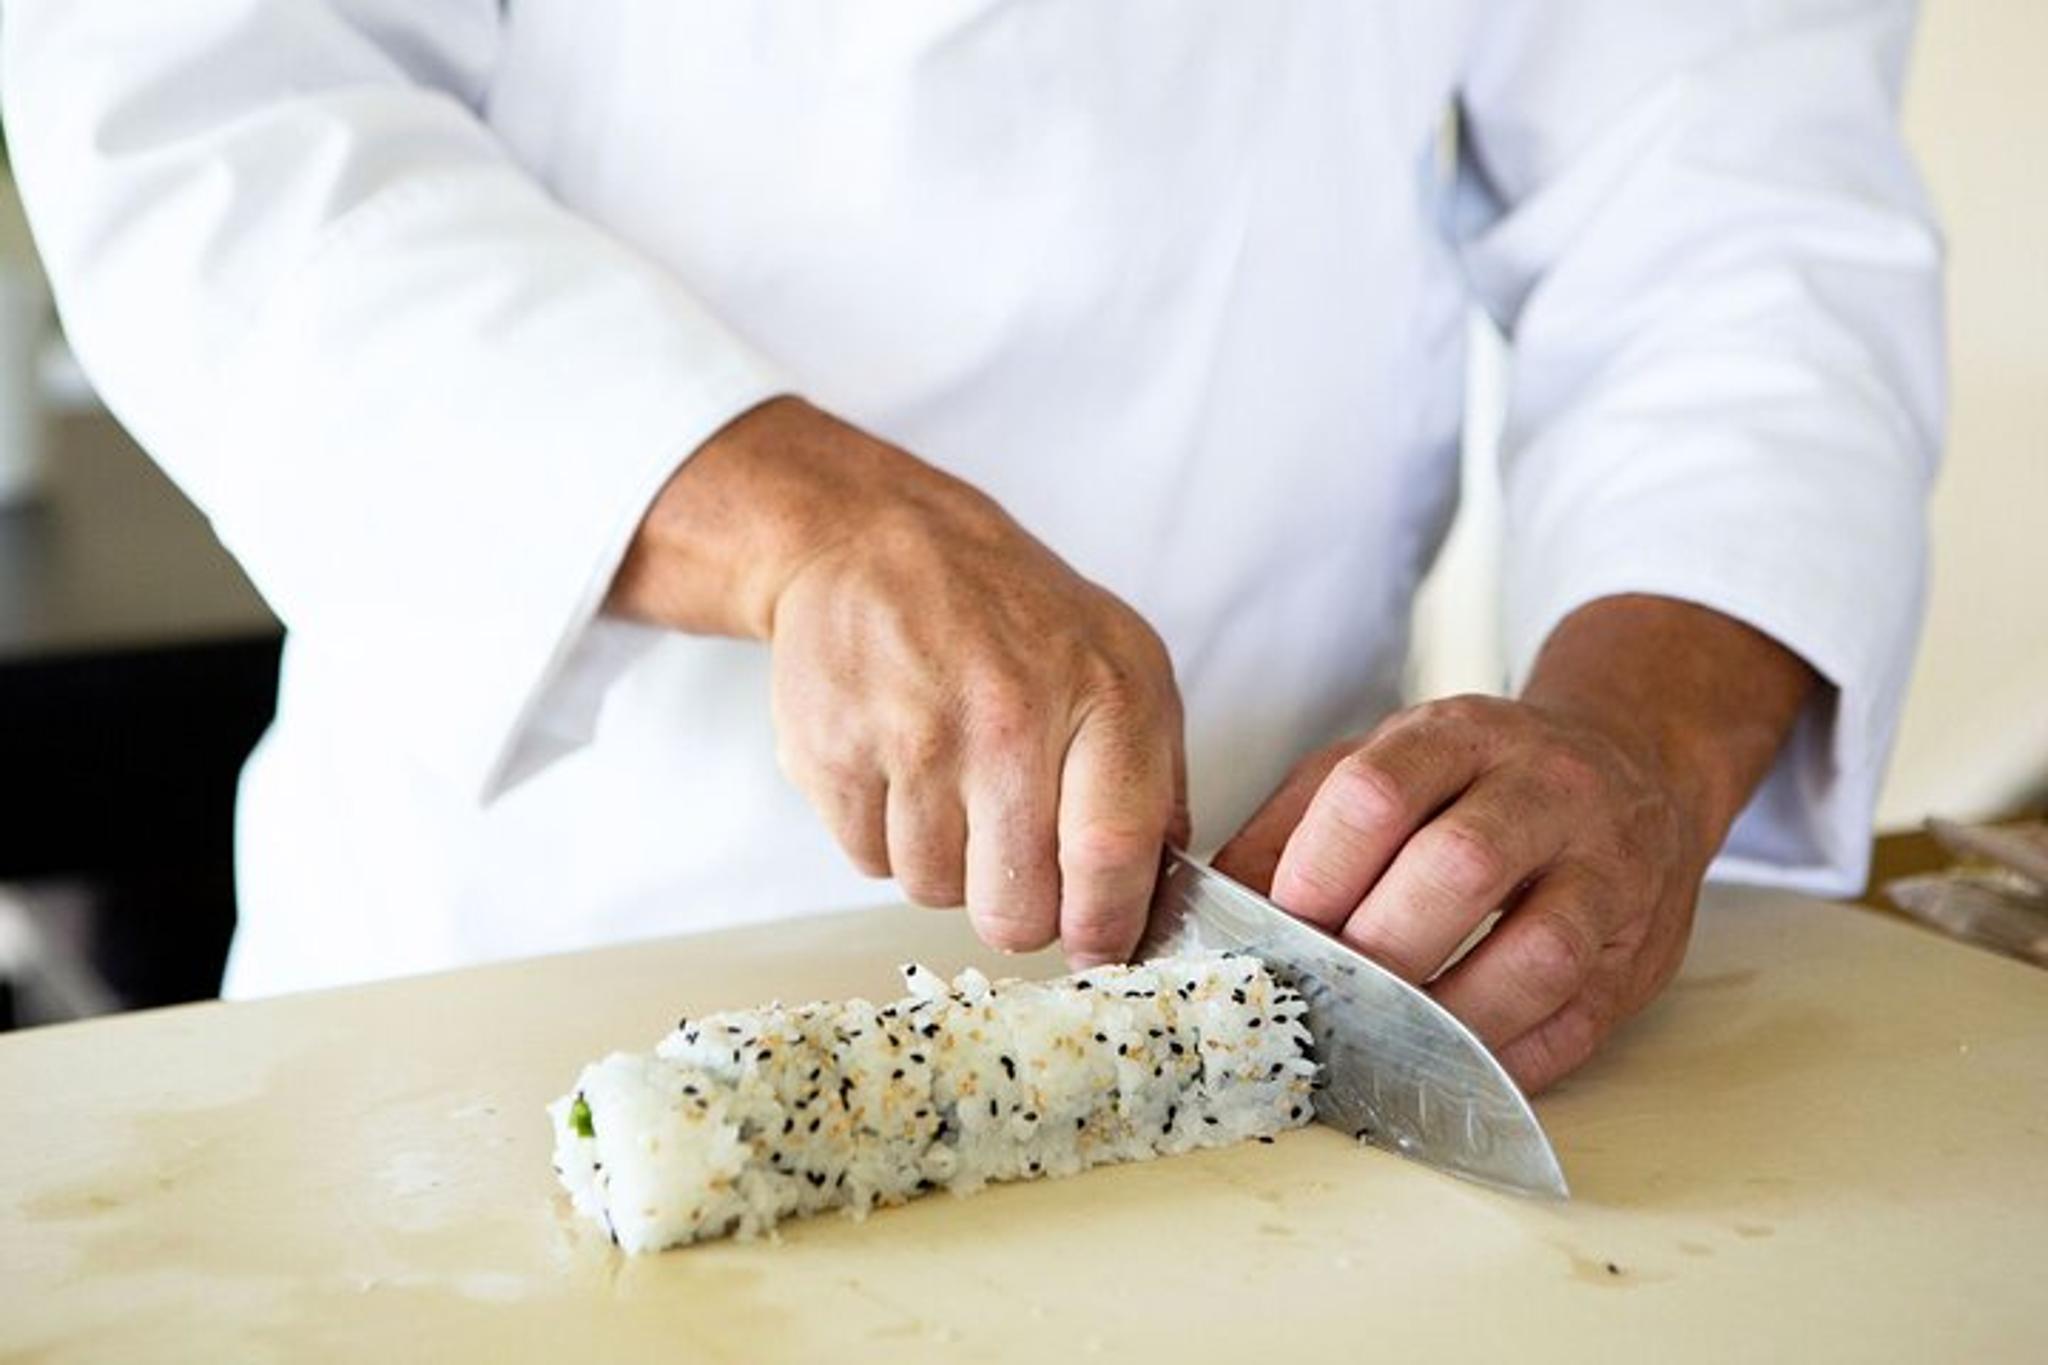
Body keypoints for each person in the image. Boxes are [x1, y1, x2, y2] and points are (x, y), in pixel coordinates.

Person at [1, 2, 1941, 1092]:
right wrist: (785, 512)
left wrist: (1639, 750)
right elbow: (214, 121)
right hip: (508, 1001)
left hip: (1273, 1008)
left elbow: (1732, 221)